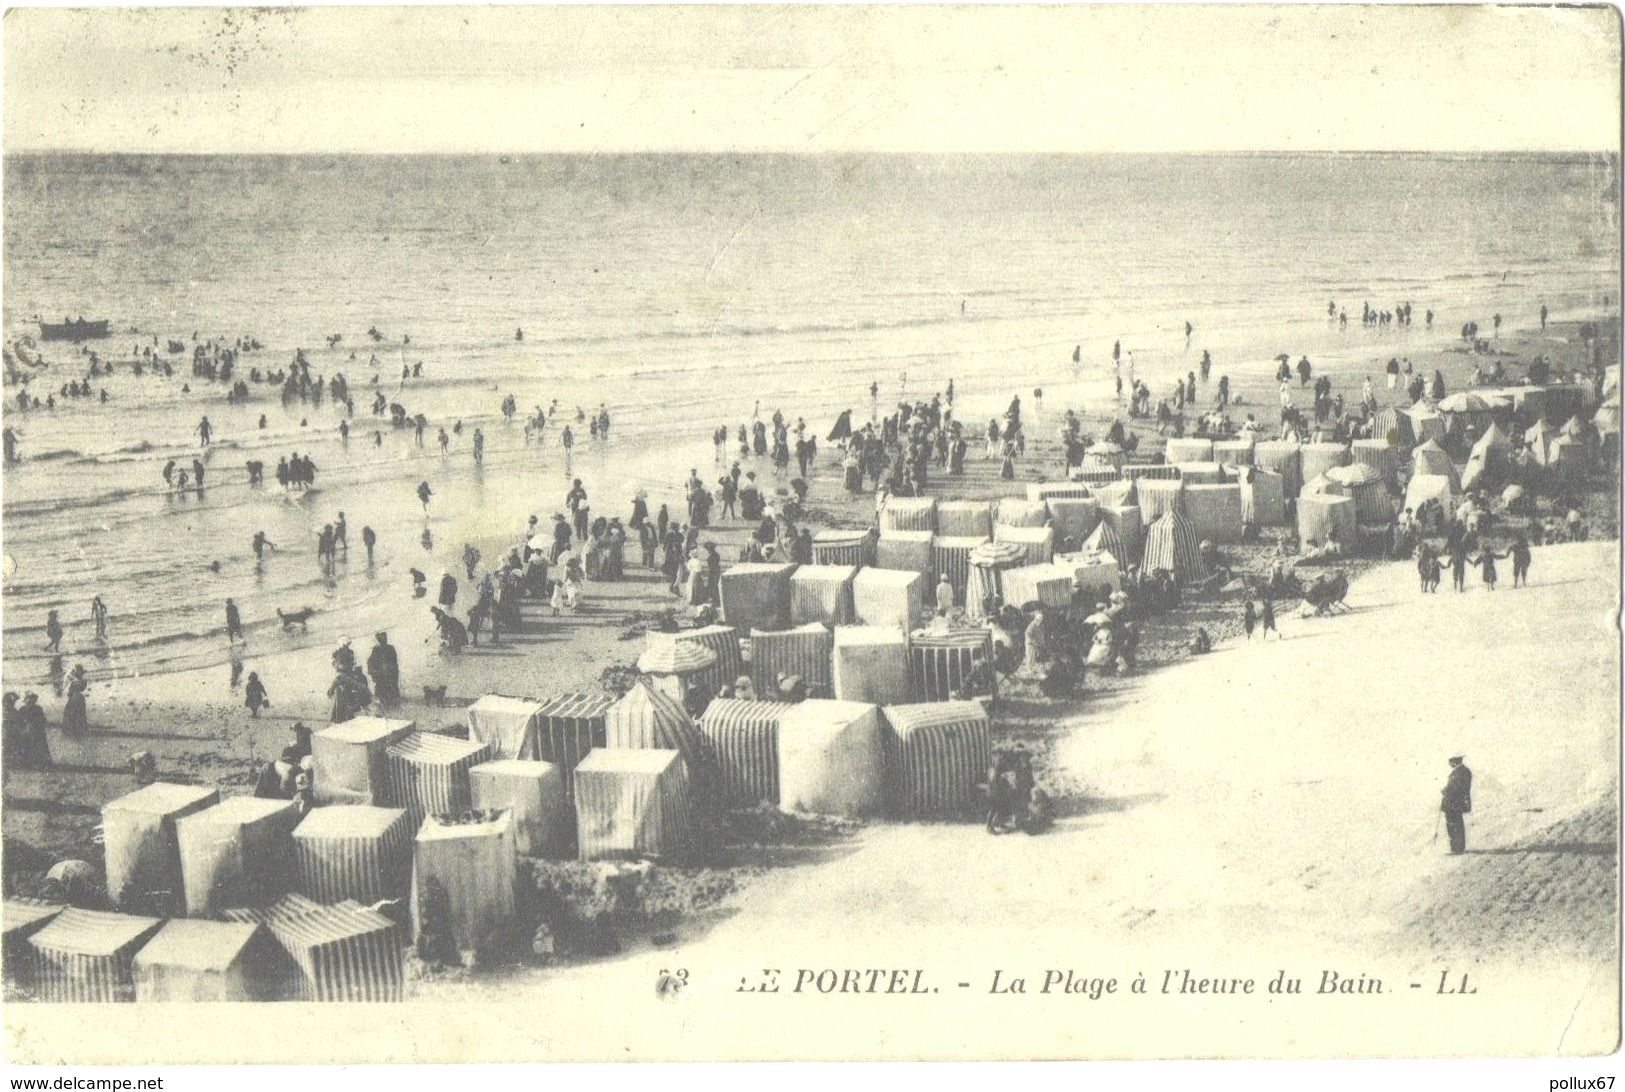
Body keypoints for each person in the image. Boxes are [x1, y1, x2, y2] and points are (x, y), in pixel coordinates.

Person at [1440, 755, 1473, 854]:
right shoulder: (1464, 771)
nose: (1449, 764)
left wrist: (1446, 791)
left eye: (1450, 762)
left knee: (1453, 825)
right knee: (1456, 824)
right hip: (1456, 802)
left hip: (1454, 803)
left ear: (1454, 762)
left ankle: (1456, 848)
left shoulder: (1459, 772)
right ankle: (1458, 847)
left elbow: (1456, 788)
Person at [368, 632, 400, 704]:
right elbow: (394, 662)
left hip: (383, 673)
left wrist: (372, 672)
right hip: (389, 673)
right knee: (391, 693)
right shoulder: (390, 648)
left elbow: (371, 661)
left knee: (382, 693)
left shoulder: (377, 649)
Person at [62, 664, 89, 736]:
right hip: (78, 698)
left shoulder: (74, 682)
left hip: (74, 698)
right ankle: (80, 729)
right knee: (80, 714)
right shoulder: (82, 682)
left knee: (73, 714)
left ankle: (72, 730)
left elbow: (69, 692)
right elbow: (82, 687)